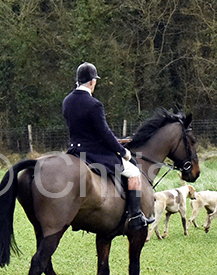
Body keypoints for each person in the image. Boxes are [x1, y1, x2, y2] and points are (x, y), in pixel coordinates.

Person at [62, 62, 154, 232]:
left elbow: (85, 132)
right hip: (95, 154)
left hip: (75, 151)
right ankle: (135, 216)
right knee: (134, 172)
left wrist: (115, 140)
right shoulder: (94, 104)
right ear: (92, 82)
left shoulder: (67, 101)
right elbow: (104, 134)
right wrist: (123, 152)